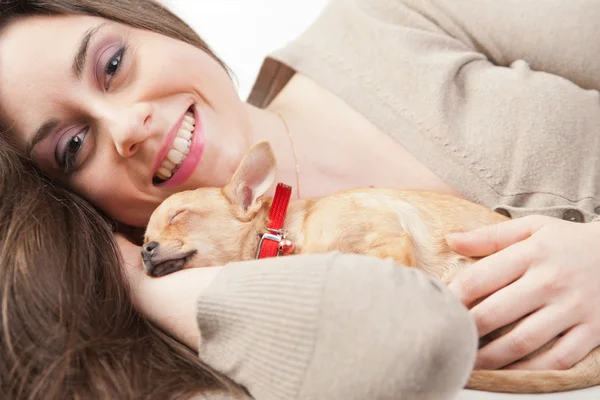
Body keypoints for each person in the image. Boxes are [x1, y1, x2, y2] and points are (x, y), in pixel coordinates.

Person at [1, 0, 599, 396]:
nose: (127, 127)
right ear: (71, 199)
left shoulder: (385, 22)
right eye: (74, 146)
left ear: (150, 21)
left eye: (112, 63)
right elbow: (416, 336)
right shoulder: (197, 336)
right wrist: (136, 279)